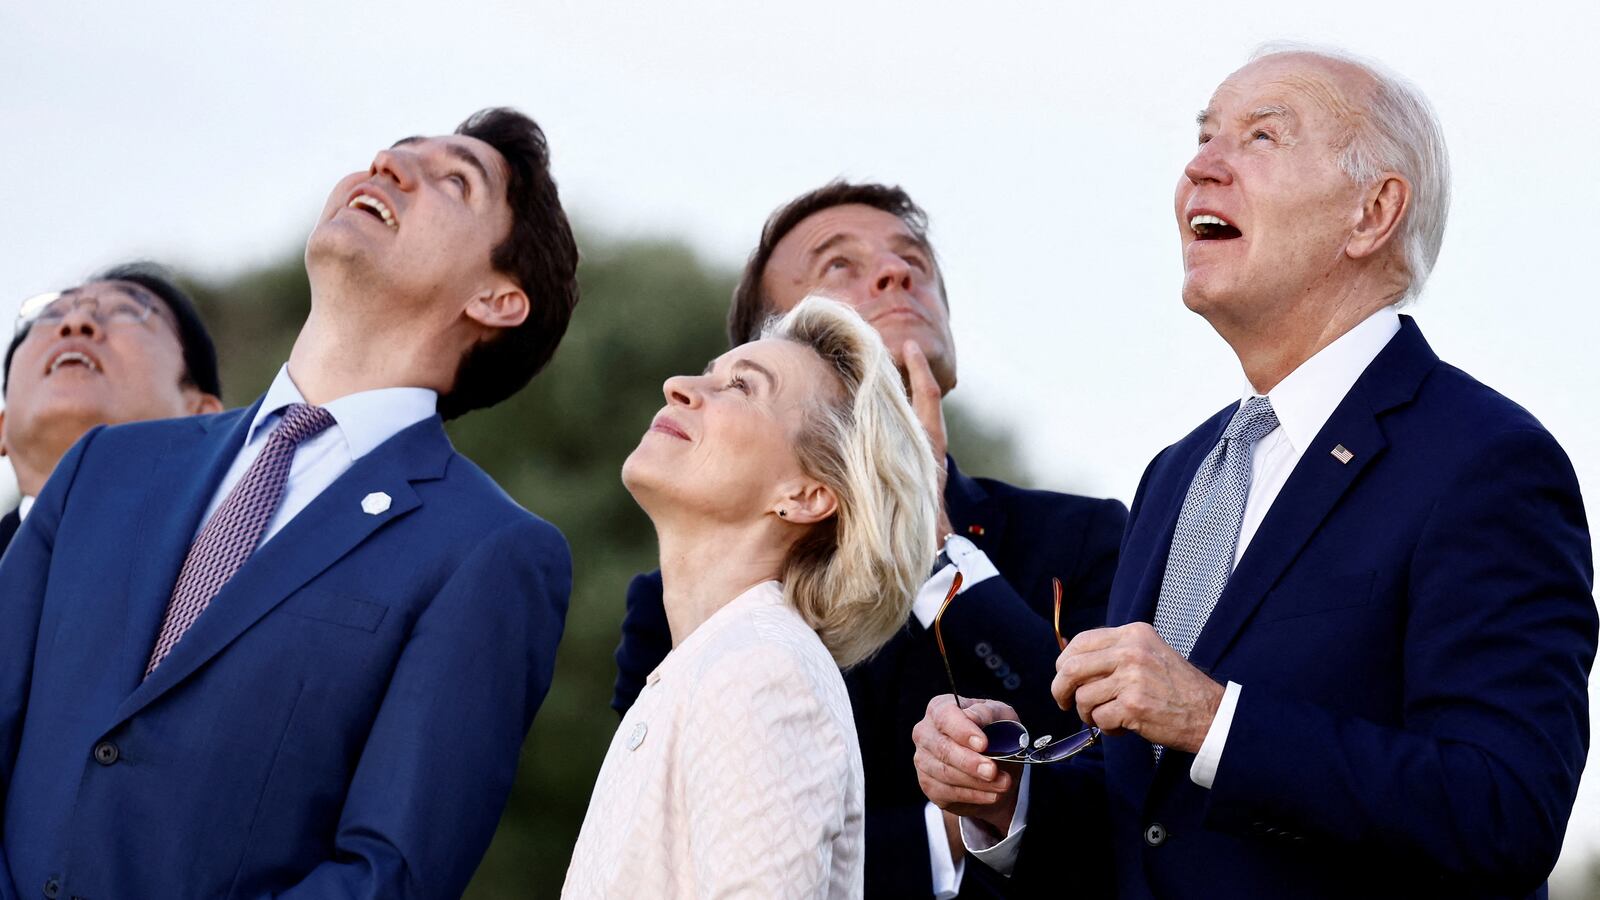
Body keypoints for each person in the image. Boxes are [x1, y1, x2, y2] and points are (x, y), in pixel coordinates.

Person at [912, 45, 1596, 898]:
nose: (1200, 166)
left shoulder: (1485, 463)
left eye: (1262, 137)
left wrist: (1212, 718)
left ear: (1372, 213)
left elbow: (1506, 811)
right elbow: (1147, 827)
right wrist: (1012, 798)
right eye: (1202, 138)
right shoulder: (1181, 473)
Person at [0, 107, 580, 898]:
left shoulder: (488, 552)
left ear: (497, 300)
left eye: (454, 180)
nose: (386, 163)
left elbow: (388, 873)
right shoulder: (105, 467)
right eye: (393, 151)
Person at [611, 182, 1128, 897]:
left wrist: (938, 557)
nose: (896, 274)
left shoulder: (1084, 535)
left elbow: (1124, 775)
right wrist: (945, 831)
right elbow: (677, 844)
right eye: (838, 268)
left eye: (913, 259)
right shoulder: (684, 602)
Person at [564, 296, 939, 898]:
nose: (679, 386)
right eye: (708, 373)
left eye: (741, 386)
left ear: (808, 493)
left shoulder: (764, 671)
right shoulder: (704, 668)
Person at [0, 263, 222, 553]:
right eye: (51, 315)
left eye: (124, 311)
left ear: (202, 415)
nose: (76, 321)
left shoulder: (245, 554)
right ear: (3, 427)